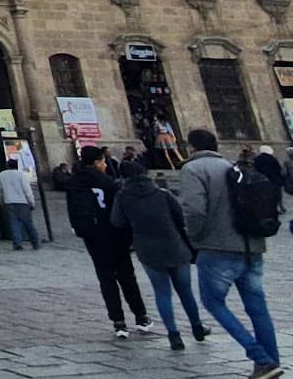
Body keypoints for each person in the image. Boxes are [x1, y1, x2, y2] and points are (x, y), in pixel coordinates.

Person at [178, 128, 283, 379]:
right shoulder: (232, 167)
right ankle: (271, 367)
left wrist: (194, 239)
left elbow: (194, 211)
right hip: (251, 247)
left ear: (191, 147)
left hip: (217, 249)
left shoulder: (193, 170)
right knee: (258, 308)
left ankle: (260, 358)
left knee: (213, 302)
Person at [111, 165, 209, 351]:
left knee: (162, 293)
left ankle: (174, 335)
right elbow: (181, 218)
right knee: (185, 291)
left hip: (147, 249)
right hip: (174, 246)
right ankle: (197, 326)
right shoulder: (163, 194)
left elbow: (117, 222)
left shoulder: (123, 197)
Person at [67, 146, 153, 340]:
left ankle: (118, 322)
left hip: (92, 237)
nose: (105, 165)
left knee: (106, 279)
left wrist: (81, 230)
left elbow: (72, 209)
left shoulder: (73, 182)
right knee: (126, 276)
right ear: (97, 162)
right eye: (103, 161)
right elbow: (119, 210)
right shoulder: (107, 182)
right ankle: (140, 316)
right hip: (114, 235)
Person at [0, 159, 40, 250]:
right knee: (28, 223)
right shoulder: (21, 175)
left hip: (9, 201)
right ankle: (35, 242)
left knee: (14, 223)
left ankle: (17, 243)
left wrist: (1, 201)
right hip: (22, 202)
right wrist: (32, 202)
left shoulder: (2, 175)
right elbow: (27, 190)